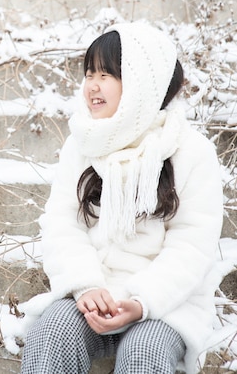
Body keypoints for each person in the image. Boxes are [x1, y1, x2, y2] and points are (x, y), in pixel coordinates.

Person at [21, 21, 223, 374]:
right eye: (88, 74)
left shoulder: (191, 151)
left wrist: (141, 300)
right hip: (92, 295)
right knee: (52, 331)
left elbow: (193, 245)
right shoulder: (83, 142)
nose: (92, 86)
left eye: (107, 75)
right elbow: (61, 222)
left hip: (165, 305)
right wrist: (84, 285)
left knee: (144, 352)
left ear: (141, 80)